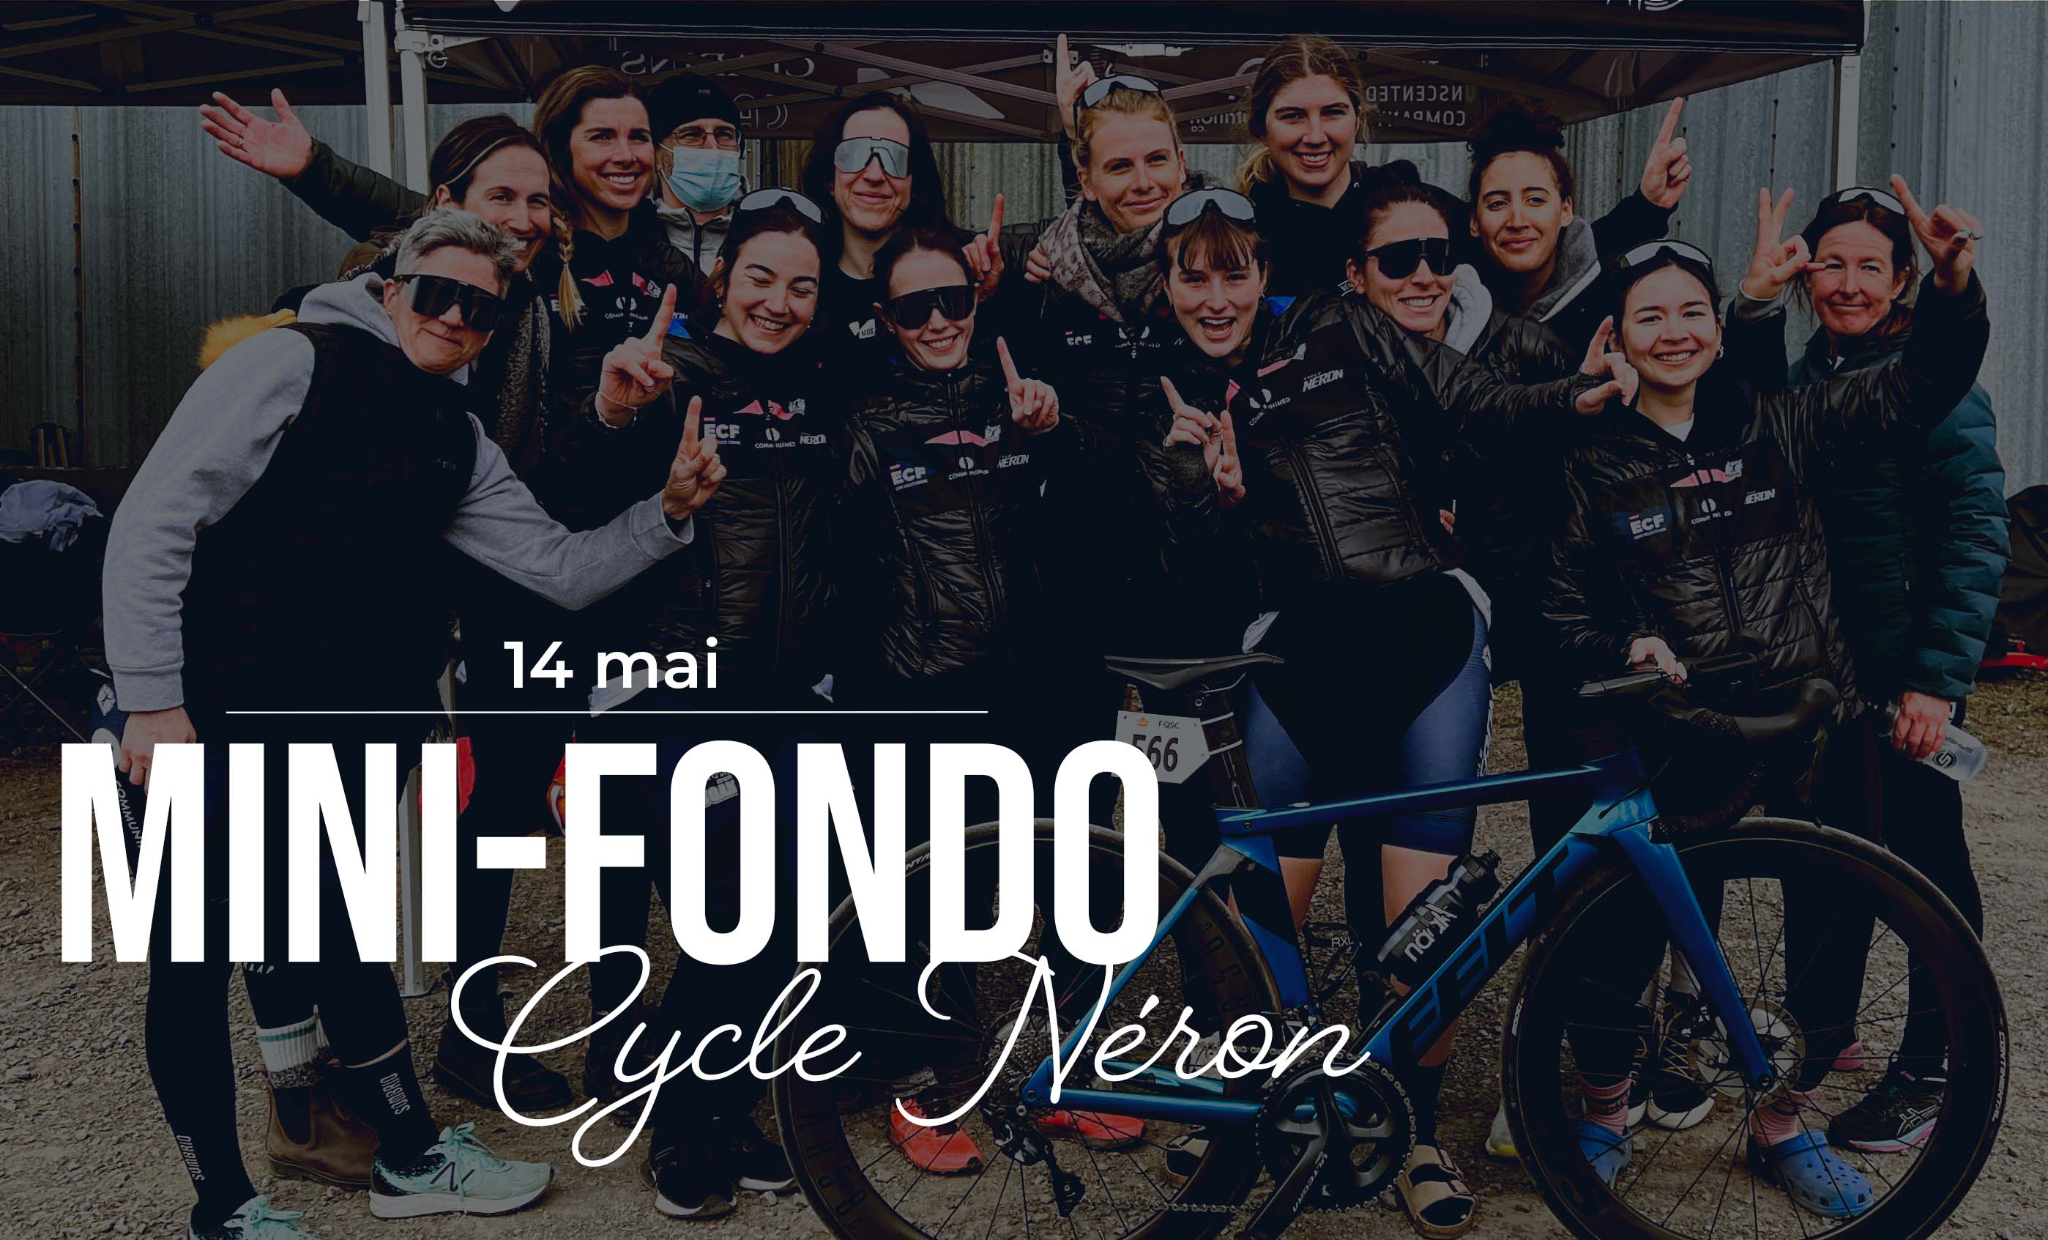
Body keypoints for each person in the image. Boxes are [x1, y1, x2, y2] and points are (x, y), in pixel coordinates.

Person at [106, 209, 725, 1239]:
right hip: (210, 719)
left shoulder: (453, 432)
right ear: (390, 286)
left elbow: (558, 568)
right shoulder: (289, 362)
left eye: (480, 308)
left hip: (342, 733)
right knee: (194, 957)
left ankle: (408, 1156)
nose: (454, 316)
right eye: (435, 292)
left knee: (340, 934)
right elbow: (156, 517)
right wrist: (150, 698)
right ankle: (224, 1206)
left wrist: (663, 514)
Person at [1156, 190, 1618, 1238]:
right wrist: (1201, 487)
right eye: (1195, 275)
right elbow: (1179, 562)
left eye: (1235, 272)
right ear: (1168, 287)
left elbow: (1471, 396)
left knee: (1422, 930)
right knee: (1253, 919)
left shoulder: (1342, 325)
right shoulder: (1169, 388)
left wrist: (1575, 395)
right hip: (1296, 661)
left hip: (1421, 643)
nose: (1217, 296)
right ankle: (1257, 1110)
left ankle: (1410, 1133)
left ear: (1265, 276)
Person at [1540, 177, 1986, 1217]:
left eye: (1692, 312)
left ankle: (1784, 1119)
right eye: (1649, 316)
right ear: (1617, 337)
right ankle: (1603, 1108)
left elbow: (1921, 384)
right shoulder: (1590, 462)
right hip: (1674, 735)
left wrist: (1953, 288)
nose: (1674, 332)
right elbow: (1559, 607)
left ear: (1716, 326)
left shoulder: (1781, 423)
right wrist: (1622, 641)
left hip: (1808, 723)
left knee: (1830, 941)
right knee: (1618, 935)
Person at [199, 97, 598, 1116]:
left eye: (540, 201)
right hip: (333, 616)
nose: (525, 216)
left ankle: (454, 1034)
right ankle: (307, 1088)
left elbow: (530, 462)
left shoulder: (538, 311)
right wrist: (316, 168)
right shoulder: (355, 321)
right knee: (309, 847)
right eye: (503, 196)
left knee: (469, 819)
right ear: (442, 207)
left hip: (480, 590)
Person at [567, 190, 839, 1219]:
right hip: (669, 690)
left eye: (801, 286)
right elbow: (575, 495)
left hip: (782, 694)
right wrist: (612, 414)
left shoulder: (819, 386)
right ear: (721, 278)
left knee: (780, 921)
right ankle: (686, 1124)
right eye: (760, 277)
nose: (778, 301)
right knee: (733, 916)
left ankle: (718, 1106)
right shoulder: (663, 375)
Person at [1721, 183, 2007, 1155]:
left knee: (1925, 868)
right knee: (1823, 859)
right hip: (1822, 679)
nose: (1847, 283)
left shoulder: (1933, 385)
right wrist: (1753, 304)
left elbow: (1974, 534)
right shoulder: (1813, 372)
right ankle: (1825, 1032)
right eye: (1831, 264)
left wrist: (1936, 681)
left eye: (1869, 267)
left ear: (1902, 281)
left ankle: (1935, 1066)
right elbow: (1748, 424)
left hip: (1904, 679)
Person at [1229, 38, 1689, 299]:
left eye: (1332, 112)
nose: (1314, 135)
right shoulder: (1242, 230)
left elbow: (1540, 254)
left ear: (1357, 117)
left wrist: (1645, 208)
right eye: (1292, 116)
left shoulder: (1412, 205)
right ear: (1261, 126)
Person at [799, 94, 958, 361]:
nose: (874, 175)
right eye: (854, 155)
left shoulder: (959, 274)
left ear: (914, 184)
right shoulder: (802, 284)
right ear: (830, 179)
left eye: (895, 158)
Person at [646, 74, 749, 273]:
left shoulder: (767, 234)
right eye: (691, 135)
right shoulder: (632, 235)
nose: (712, 148)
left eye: (724, 134)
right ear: (656, 154)